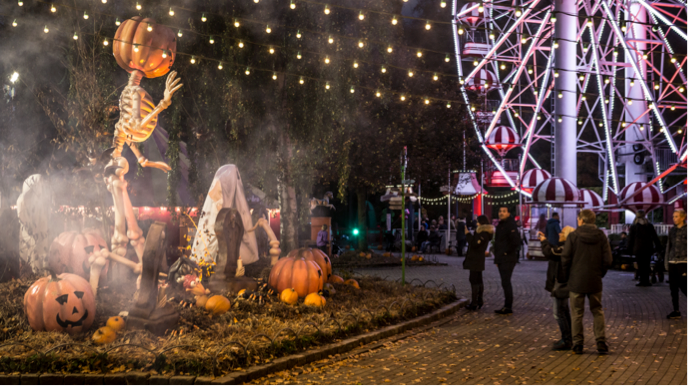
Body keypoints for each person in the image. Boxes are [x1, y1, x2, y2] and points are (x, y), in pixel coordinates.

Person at [561, 209, 612, 354]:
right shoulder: (601, 236)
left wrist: (567, 276)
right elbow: (608, 259)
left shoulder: (573, 236)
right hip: (594, 280)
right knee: (597, 310)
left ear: (582, 220)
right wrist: (600, 273)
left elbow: (565, 258)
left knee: (577, 313)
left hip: (576, 280)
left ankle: (578, 344)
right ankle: (601, 341)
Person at [539, 226, 575, 350]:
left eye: (563, 232)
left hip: (561, 283)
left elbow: (551, 253)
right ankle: (569, 337)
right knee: (564, 311)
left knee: (559, 313)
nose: (560, 233)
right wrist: (546, 241)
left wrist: (544, 242)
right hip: (562, 282)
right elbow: (554, 250)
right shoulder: (565, 246)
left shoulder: (566, 248)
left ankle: (567, 339)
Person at [493, 206, 521, 315]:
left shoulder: (510, 225)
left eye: (504, 211)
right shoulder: (500, 225)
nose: (501, 213)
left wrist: (505, 252)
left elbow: (515, 242)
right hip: (502, 258)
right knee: (505, 282)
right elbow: (497, 243)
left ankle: (508, 306)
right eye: (500, 211)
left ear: (508, 213)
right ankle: (507, 305)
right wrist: (497, 259)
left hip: (507, 258)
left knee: (506, 282)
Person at [626, 210, 663, 286]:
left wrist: (629, 249)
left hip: (638, 248)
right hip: (648, 248)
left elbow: (630, 239)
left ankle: (642, 280)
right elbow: (655, 237)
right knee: (646, 264)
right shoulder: (649, 225)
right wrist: (659, 247)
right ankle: (646, 280)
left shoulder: (634, 226)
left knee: (640, 265)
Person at [464, 215, 493, 310]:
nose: (476, 224)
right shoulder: (485, 233)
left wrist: (468, 234)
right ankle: (479, 300)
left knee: (474, 280)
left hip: (475, 259)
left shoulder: (482, 233)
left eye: (478, 222)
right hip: (478, 259)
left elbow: (474, 244)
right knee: (478, 279)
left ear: (481, 223)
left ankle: (475, 302)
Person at [665, 209, 688, 319]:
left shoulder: (687, 230)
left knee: (684, 286)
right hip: (672, 261)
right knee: (673, 287)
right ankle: (676, 310)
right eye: (673, 216)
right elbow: (669, 246)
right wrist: (667, 261)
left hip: (684, 262)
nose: (674, 218)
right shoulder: (672, 231)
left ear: (683, 217)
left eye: (677, 216)